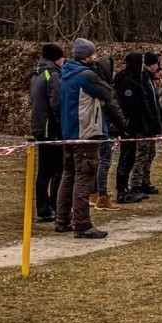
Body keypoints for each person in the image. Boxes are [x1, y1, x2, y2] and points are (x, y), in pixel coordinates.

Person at [56, 38, 126, 239]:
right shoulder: (85, 75)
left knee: (68, 175)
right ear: (87, 56)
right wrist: (100, 98)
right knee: (84, 179)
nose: (96, 57)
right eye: (94, 54)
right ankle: (82, 224)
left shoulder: (66, 74)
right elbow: (109, 92)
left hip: (69, 133)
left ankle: (62, 219)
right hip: (86, 133)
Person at [30, 43, 65, 222]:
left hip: (39, 127)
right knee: (58, 169)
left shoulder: (37, 74)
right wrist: (62, 127)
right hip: (50, 128)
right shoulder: (52, 74)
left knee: (44, 171)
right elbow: (56, 103)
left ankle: (43, 209)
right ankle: (54, 206)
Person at [112, 52, 150, 204]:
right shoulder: (127, 81)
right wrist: (128, 123)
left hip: (132, 124)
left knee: (130, 157)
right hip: (128, 125)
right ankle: (121, 191)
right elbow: (128, 105)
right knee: (126, 157)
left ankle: (125, 188)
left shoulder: (132, 78)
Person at [91, 56, 124, 211]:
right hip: (105, 128)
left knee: (99, 161)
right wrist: (123, 125)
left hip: (101, 127)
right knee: (104, 162)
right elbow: (113, 107)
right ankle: (101, 195)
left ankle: (95, 193)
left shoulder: (96, 84)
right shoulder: (104, 87)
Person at [131, 52, 162, 196]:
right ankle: (136, 183)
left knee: (150, 153)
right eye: (156, 64)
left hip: (151, 124)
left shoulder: (150, 80)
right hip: (144, 125)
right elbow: (146, 103)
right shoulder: (143, 79)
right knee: (142, 155)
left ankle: (145, 181)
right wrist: (150, 121)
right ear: (151, 65)